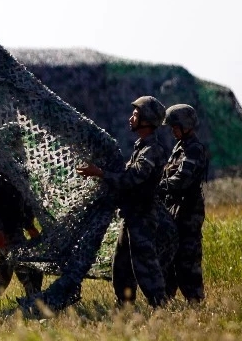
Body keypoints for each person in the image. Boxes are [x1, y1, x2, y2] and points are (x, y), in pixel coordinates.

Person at [75, 96, 170, 307]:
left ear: (146, 120)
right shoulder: (141, 147)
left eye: (136, 115)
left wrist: (100, 173)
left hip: (142, 216)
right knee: (122, 266)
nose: (131, 118)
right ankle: (125, 305)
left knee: (145, 265)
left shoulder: (152, 151)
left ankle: (160, 305)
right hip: (131, 215)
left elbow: (131, 178)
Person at [0, 165, 44, 310]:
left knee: (1, 276)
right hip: (5, 228)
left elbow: (22, 197)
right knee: (30, 268)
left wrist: (29, 225)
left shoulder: (14, 164)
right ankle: (36, 307)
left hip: (13, 227)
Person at [158, 103, 208, 302]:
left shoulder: (194, 150)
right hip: (174, 211)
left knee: (187, 263)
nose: (172, 130)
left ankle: (195, 304)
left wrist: (157, 186)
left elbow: (182, 181)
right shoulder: (180, 148)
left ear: (187, 125)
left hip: (188, 214)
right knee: (169, 261)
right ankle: (164, 302)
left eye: (175, 126)